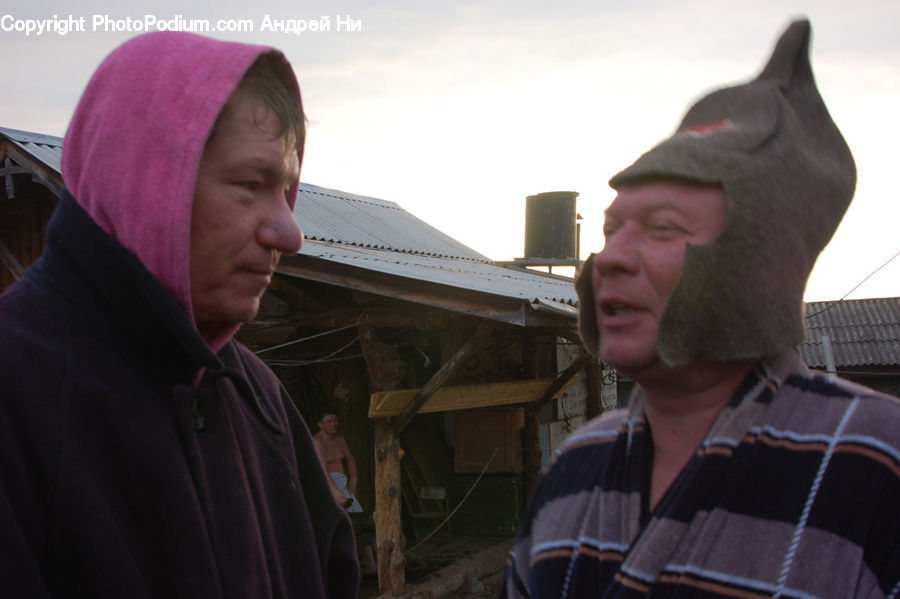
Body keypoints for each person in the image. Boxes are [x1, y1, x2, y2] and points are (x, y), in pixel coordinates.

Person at [501, 19, 900, 599]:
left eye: (662, 229)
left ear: (753, 264)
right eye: (611, 230)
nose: (610, 258)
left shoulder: (878, 462)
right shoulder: (575, 466)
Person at [0, 32, 358, 598]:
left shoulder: (258, 397)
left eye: (286, 189)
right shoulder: (16, 393)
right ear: (143, 182)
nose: (289, 232)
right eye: (249, 184)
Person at [313, 409, 378, 576]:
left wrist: (353, 478)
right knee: (338, 525)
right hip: (326, 486)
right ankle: (342, 569)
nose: (334, 424)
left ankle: (369, 564)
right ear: (320, 424)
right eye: (329, 421)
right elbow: (322, 469)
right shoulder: (317, 441)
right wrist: (335, 492)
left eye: (335, 420)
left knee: (361, 520)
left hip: (342, 483)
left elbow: (349, 458)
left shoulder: (340, 439)